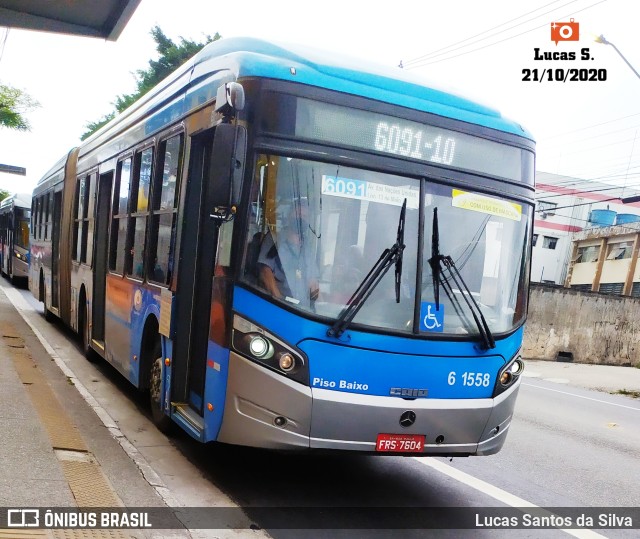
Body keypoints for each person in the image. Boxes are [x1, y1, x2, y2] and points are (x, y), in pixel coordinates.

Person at [257, 208, 319, 308]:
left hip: (302, 308)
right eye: (298, 214)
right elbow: (265, 272)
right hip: (280, 304)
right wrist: (279, 302)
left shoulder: (307, 245)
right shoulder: (274, 238)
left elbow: (312, 279)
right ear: (289, 216)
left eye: (305, 216)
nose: (301, 218)